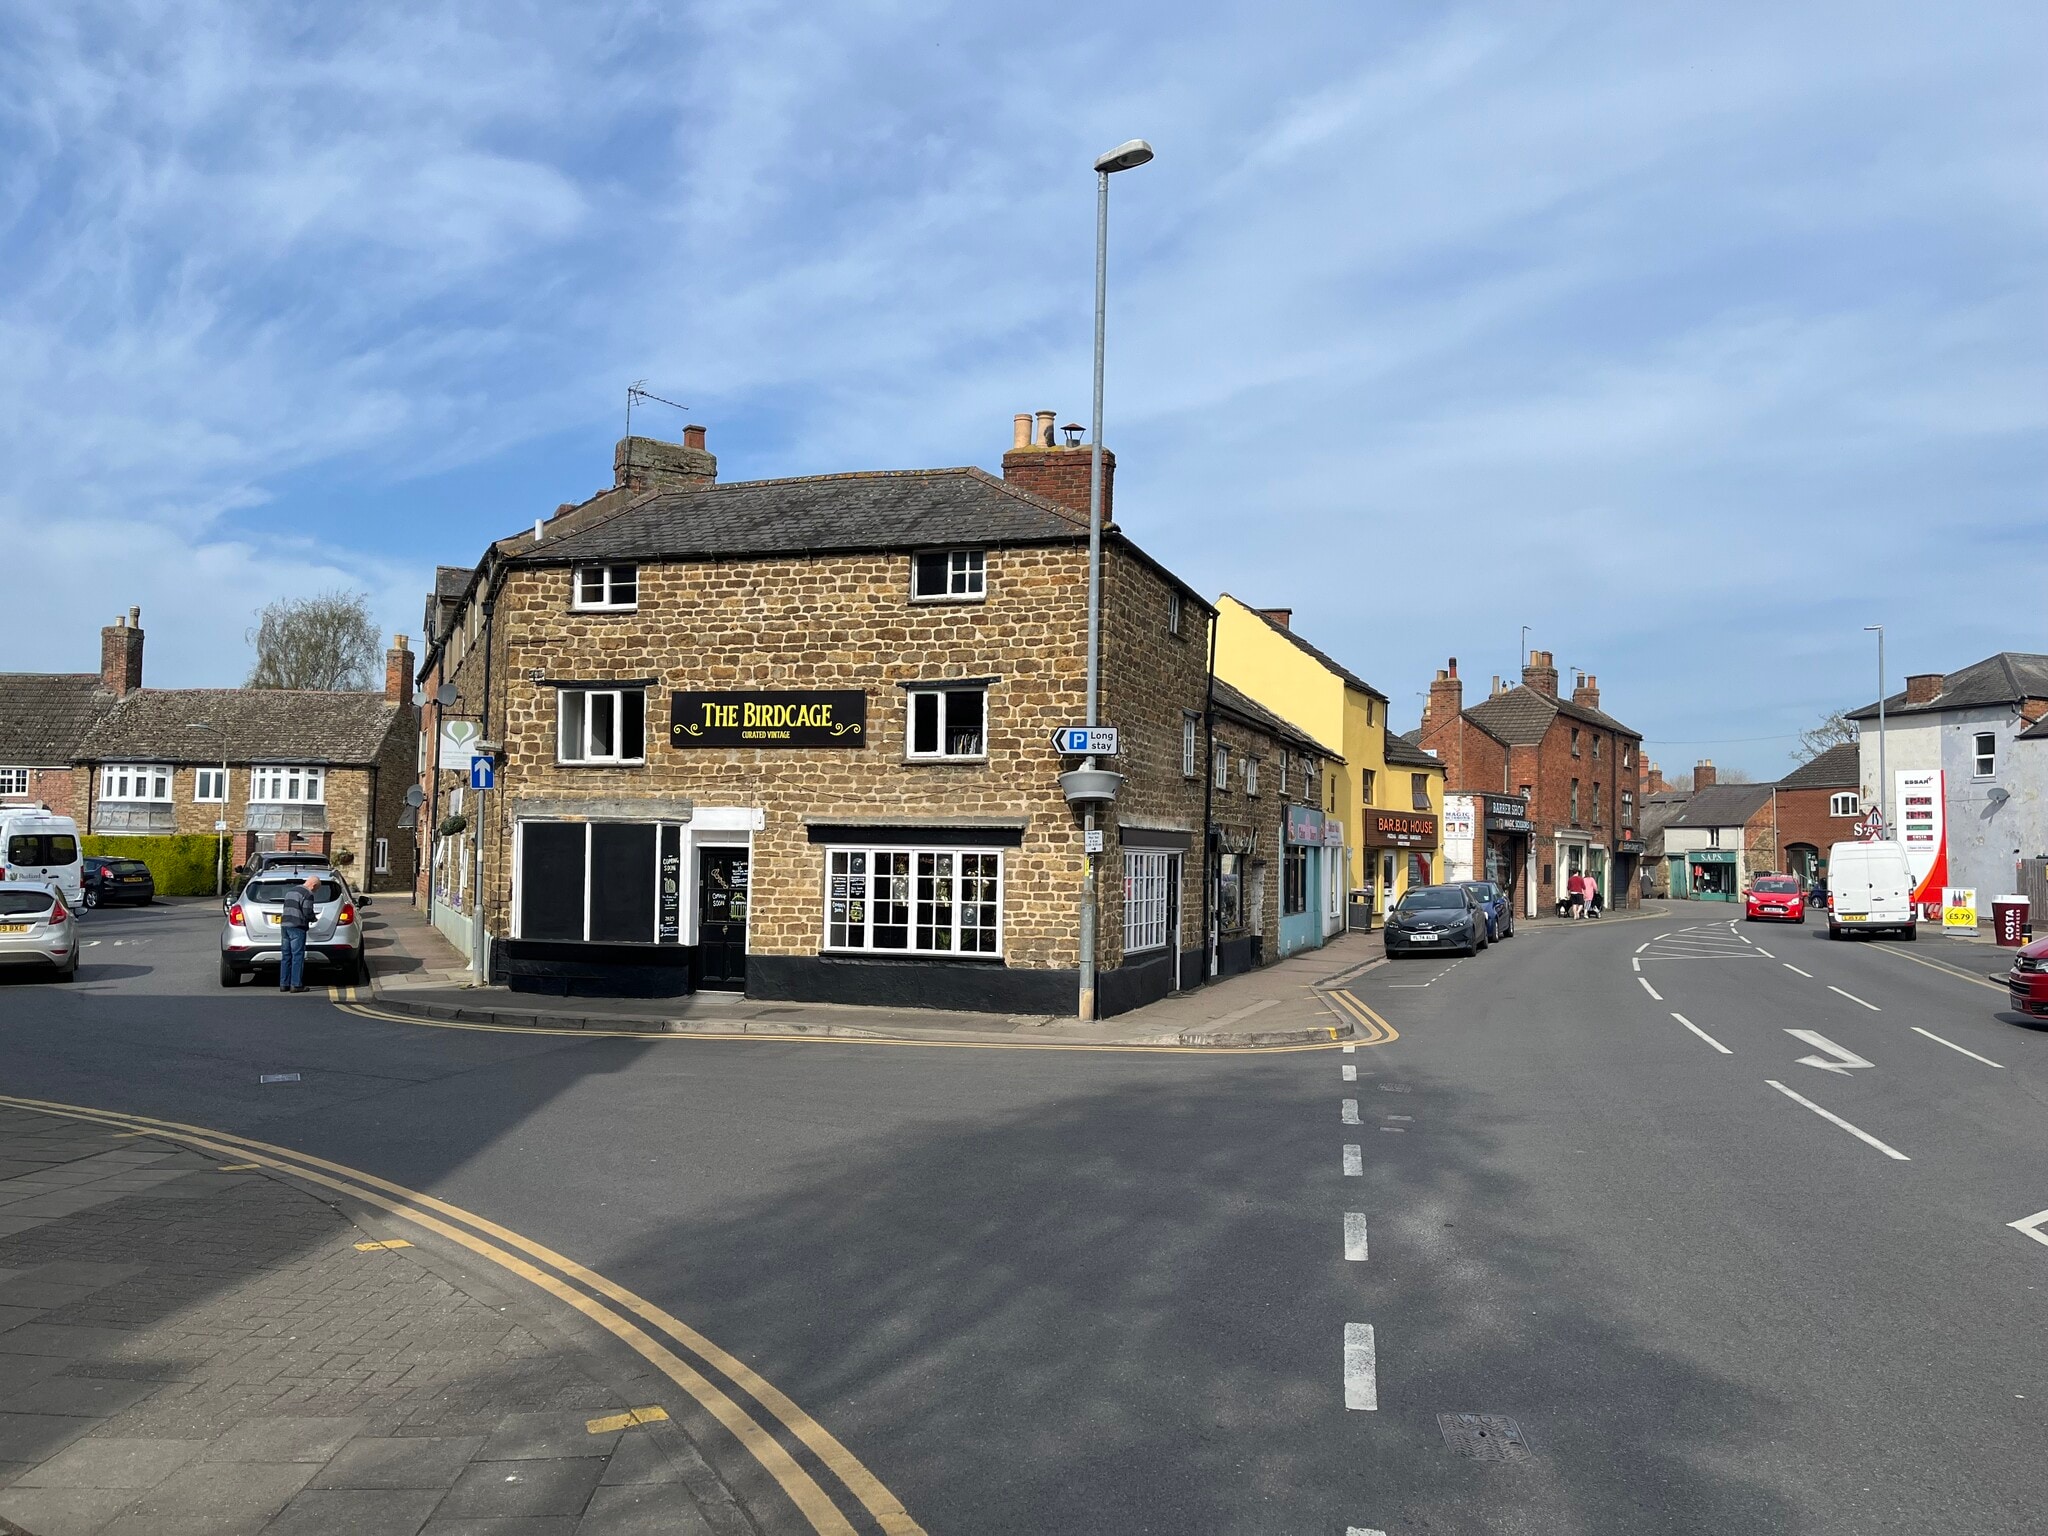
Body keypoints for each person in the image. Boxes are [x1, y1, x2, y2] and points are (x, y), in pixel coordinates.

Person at [278, 874, 319, 993]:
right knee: (297, 956)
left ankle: (284, 983)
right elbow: (307, 911)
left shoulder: (291, 891)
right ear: (314, 885)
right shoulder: (308, 894)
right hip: (297, 926)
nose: (316, 891)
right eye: (317, 889)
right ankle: (296, 984)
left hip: (285, 925)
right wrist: (313, 918)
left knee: (286, 955)